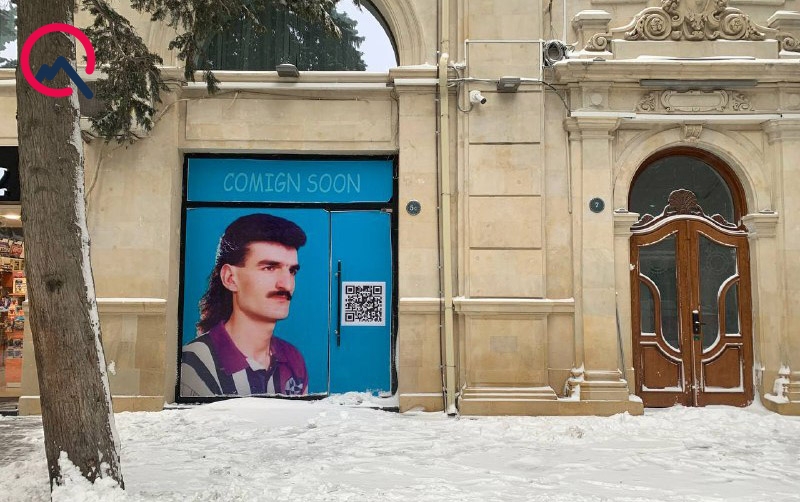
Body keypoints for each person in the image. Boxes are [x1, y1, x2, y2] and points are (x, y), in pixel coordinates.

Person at [181, 213, 308, 397]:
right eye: (269, 268)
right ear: (230, 278)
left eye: (292, 271)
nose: (286, 285)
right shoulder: (195, 365)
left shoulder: (293, 359)